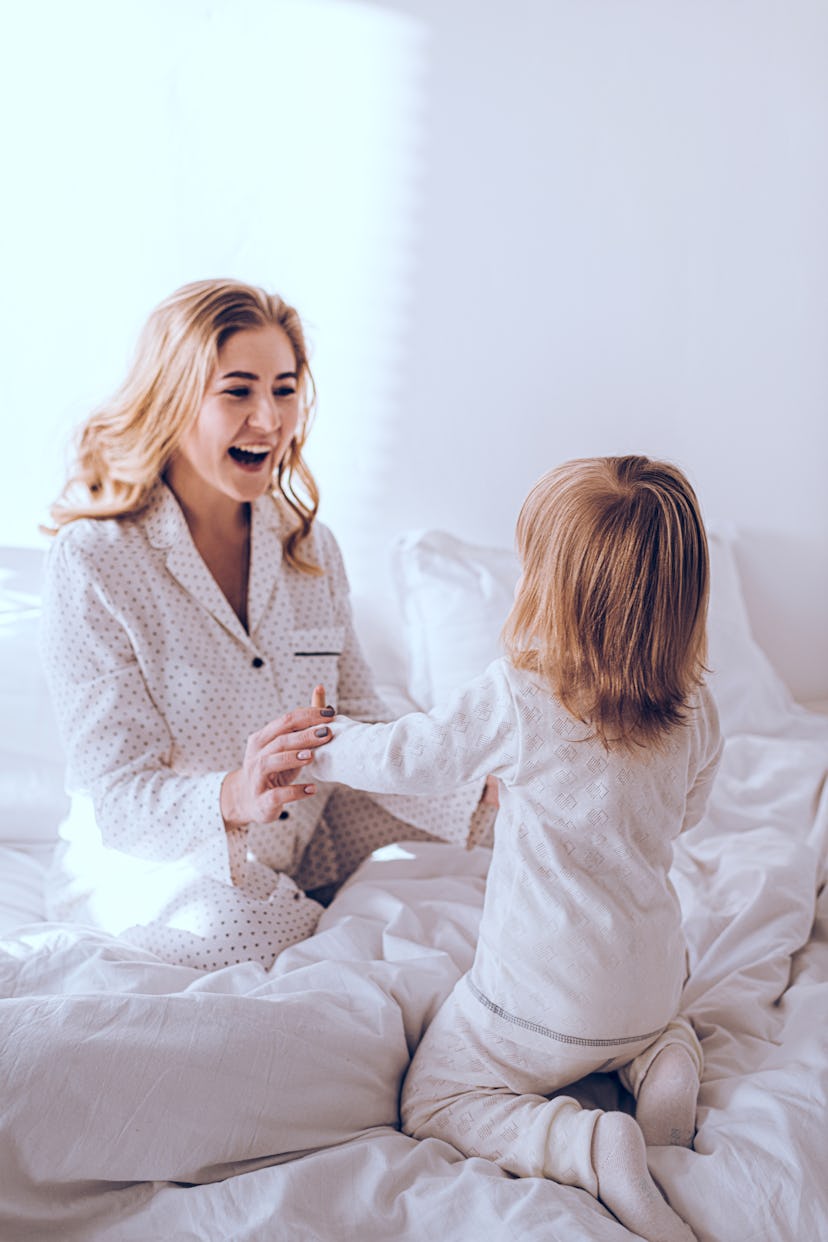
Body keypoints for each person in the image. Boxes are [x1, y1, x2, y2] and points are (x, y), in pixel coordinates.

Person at [310, 455, 721, 1242]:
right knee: (662, 1021)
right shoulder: (696, 709)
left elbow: (406, 756)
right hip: (648, 987)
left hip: (537, 1007)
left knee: (434, 1098)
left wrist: (323, 746)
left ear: (550, 591)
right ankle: (664, 1064)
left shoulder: (519, 698)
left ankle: (591, 1145)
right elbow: (687, 817)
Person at [40, 278, 488, 971]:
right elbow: (119, 797)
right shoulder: (96, 562)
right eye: (238, 390)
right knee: (232, 929)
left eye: (284, 389)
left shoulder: (311, 549)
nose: (270, 419)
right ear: (174, 397)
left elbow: (360, 714)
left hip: (309, 832)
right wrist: (233, 794)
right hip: (157, 856)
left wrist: (475, 787)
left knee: (503, 842)